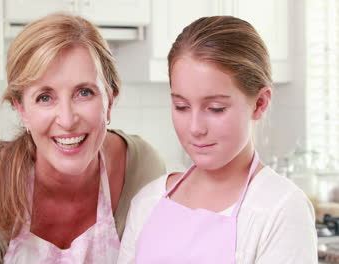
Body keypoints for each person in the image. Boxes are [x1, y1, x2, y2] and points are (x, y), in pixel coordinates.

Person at [0, 13, 166, 264]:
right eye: (45, 97)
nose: (67, 120)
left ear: (110, 101)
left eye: (84, 92)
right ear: (22, 109)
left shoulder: (144, 172)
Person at [118, 16, 317, 263]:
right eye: (181, 106)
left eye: (215, 108)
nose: (195, 128)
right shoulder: (148, 202)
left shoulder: (281, 209)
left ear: (260, 103)